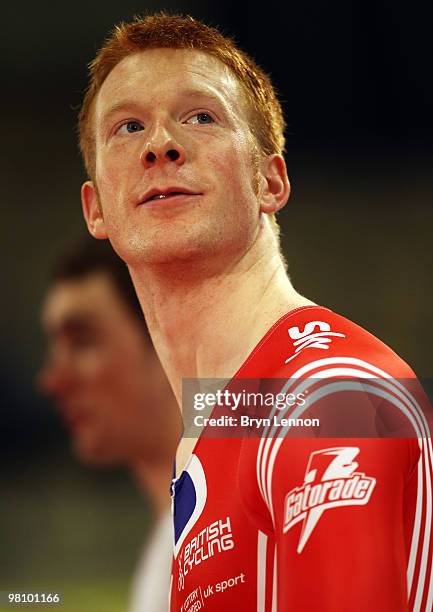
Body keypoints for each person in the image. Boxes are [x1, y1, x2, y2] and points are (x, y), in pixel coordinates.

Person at [78, 13, 432, 611]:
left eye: (201, 117)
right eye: (128, 126)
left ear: (269, 180)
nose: (160, 143)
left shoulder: (323, 396)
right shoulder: (227, 414)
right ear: (96, 210)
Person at [38, 239, 182, 612]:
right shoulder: (169, 549)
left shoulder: (233, 540)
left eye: (82, 341)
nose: (53, 381)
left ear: (167, 338)